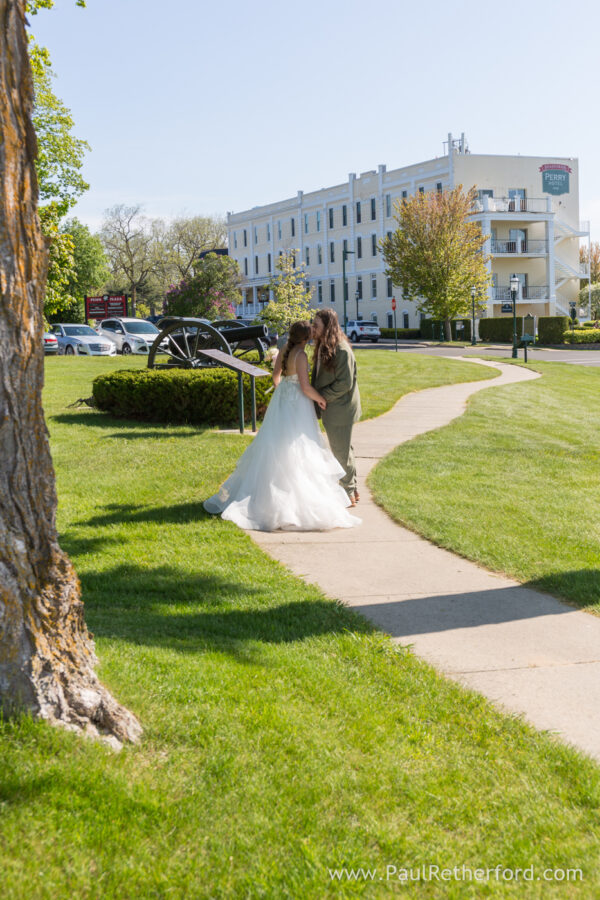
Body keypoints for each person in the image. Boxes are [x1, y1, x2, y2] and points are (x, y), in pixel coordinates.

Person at [204, 321, 360, 532]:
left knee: (275, 445)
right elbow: (305, 387)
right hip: (297, 405)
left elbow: (276, 378)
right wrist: (320, 399)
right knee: (300, 447)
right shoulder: (301, 356)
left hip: (281, 403)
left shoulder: (285, 351)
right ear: (305, 338)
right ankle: (293, 504)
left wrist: (284, 392)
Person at [311, 309, 361, 506]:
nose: (313, 328)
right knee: (344, 450)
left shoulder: (340, 350)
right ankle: (353, 490)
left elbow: (344, 383)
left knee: (341, 452)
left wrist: (321, 397)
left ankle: (347, 493)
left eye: (316, 325)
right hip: (335, 408)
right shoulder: (325, 346)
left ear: (327, 326)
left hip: (340, 408)